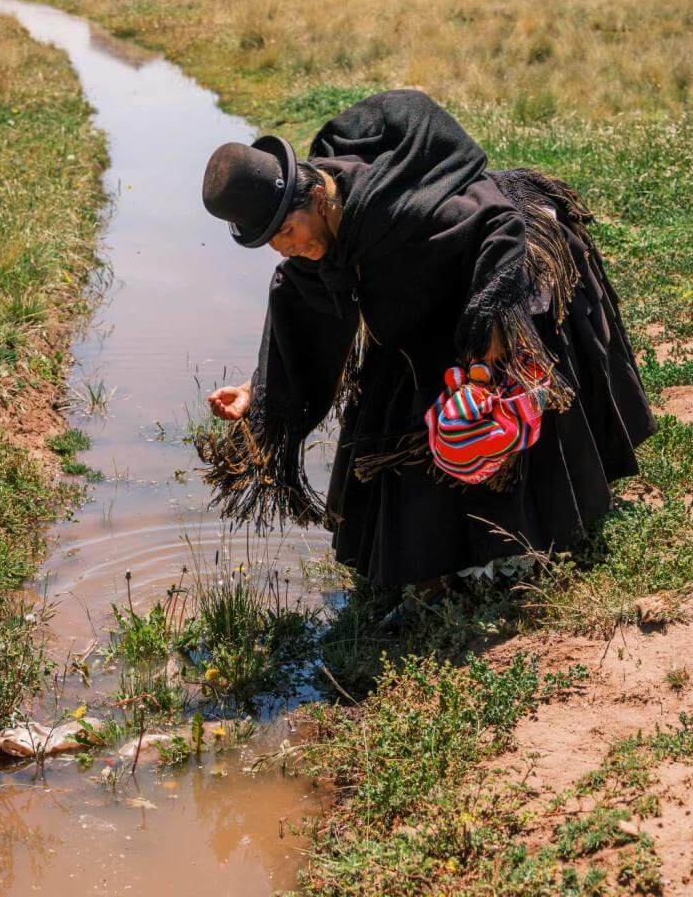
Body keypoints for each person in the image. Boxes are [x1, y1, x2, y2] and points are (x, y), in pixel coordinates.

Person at [197, 89, 653, 593]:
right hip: (427, 301)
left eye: (287, 231)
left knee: (480, 416)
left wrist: (484, 363)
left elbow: (500, 230)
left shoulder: (409, 213)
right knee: (406, 388)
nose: (286, 248)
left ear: (319, 198)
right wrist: (259, 391)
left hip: (498, 273)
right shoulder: (318, 237)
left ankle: (516, 547)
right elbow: (301, 313)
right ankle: (436, 561)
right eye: (273, 242)